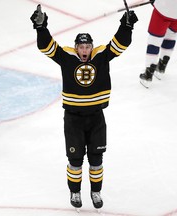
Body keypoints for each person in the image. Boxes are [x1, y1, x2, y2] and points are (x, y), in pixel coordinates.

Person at [30, 4, 138, 209]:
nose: (85, 50)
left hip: (96, 118)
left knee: (96, 160)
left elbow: (119, 44)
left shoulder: (101, 56)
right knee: (75, 160)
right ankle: (75, 192)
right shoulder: (66, 58)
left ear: (91, 47)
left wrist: (127, 26)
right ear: (76, 48)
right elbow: (47, 47)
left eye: (88, 46)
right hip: (73, 119)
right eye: (82, 47)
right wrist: (41, 27)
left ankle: (96, 192)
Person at [139, 0, 177, 88]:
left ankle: (148, 74)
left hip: (164, 7)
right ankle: (161, 67)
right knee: (171, 35)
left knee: (154, 39)